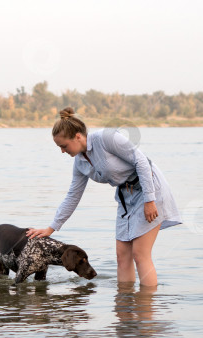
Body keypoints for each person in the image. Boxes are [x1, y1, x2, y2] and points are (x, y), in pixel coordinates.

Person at [25, 107, 182, 287]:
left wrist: (149, 200)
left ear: (77, 136)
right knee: (122, 256)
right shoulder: (79, 163)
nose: (62, 151)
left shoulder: (106, 138)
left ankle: (145, 308)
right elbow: (73, 196)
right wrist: (52, 227)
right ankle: (125, 308)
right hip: (126, 198)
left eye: (63, 146)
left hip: (150, 189)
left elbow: (142, 162)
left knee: (140, 254)